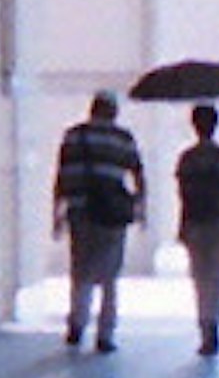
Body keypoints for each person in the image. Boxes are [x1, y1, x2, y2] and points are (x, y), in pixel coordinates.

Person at [51, 88, 148, 351]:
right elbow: (139, 174)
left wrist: (56, 215)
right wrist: (140, 207)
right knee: (109, 276)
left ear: (91, 109)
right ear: (114, 112)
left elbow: (61, 177)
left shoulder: (73, 136)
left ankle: (77, 324)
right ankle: (105, 334)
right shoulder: (123, 138)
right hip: (112, 215)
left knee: (80, 271)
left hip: (80, 212)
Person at [174, 97, 219, 354]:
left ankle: (204, 325)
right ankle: (215, 321)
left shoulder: (186, 158)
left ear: (193, 125)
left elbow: (182, 193)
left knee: (200, 278)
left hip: (195, 225)